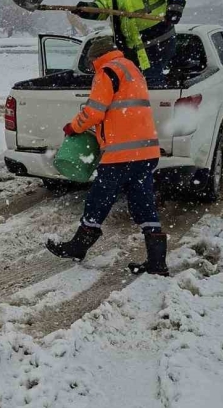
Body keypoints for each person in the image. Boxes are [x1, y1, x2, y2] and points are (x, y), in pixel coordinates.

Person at [46, 33, 169, 276]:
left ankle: (78, 247)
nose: (92, 67)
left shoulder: (107, 72)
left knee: (98, 199)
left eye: (91, 63)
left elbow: (94, 111)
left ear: (96, 58)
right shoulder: (131, 69)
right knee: (143, 202)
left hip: (121, 153)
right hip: (146, 151)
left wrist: (74, 127)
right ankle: (157, 261)